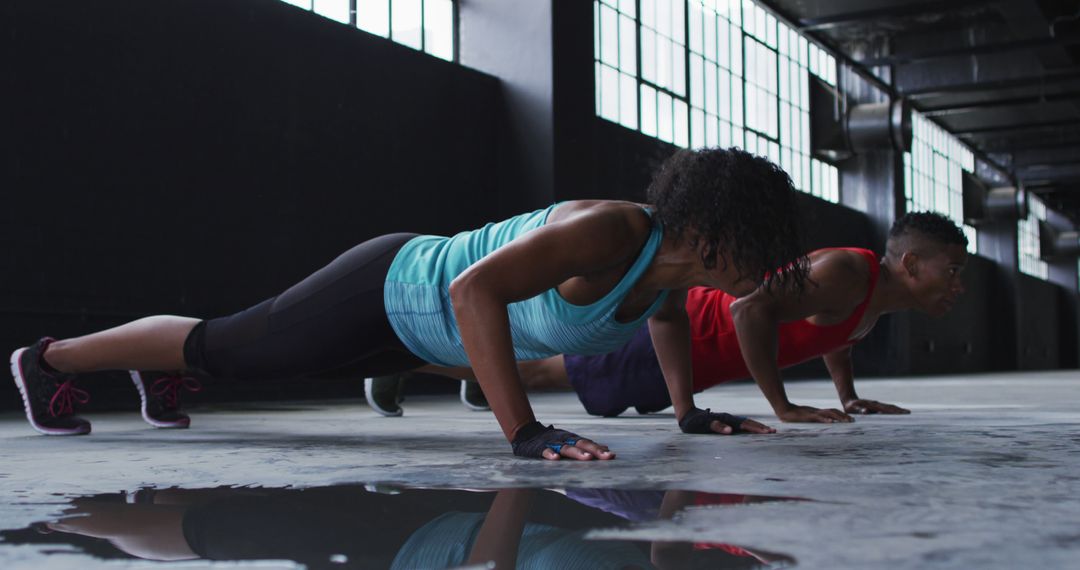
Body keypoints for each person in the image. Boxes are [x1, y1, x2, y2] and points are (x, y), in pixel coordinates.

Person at [9, 147, 808, 460]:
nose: (772, 272)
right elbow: (473, 289)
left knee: (251, 359)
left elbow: (664, 321)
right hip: (394, 286)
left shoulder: (670, 275)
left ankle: (158, 377)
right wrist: (523, 430)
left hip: (415, 331)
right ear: (713, 231)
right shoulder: (608, 231)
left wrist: (688, 413)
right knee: (221, 345)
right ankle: (48, 362)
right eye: (762, 249)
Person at [446, 212, 965, 423]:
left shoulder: (869, 291)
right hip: (683, 337)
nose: (958, 286)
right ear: (912, 264)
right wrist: (780, 406)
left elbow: (834, 333)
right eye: (953, 271)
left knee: (532, 367)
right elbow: (748, 309)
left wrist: (846, 395)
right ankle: (408, 362)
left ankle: (450, 369)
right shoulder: (849, 271)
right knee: (532, 372)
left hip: (698, 362)